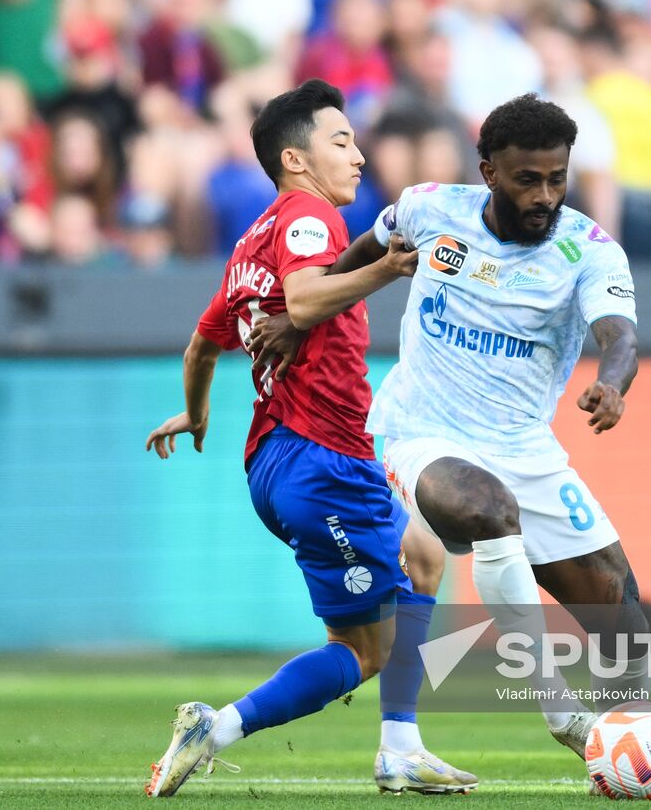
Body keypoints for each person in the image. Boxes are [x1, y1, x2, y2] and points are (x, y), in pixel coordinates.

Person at [254, 94, 649, 795]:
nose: (545, 195)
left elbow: (619, 335)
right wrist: (296, 318)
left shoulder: (587, 249)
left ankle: (631, 747)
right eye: (528, 179)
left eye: (557, 178)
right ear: (489, 170)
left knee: (620, 608)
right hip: (420, 431)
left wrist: (613, 383)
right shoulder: (427, 208)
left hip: (525, 444)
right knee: (489, 510)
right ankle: (559, 709)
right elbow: (361, 255)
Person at [142, 79, 474, 798]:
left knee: (424, 553)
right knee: (362, 648)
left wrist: (197, 415)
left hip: (278, 455)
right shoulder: (307, 218)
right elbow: (300, 300)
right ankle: (221, 726)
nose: (358, 155)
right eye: (342, 141)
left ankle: (402, 745)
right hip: (321, 457)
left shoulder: (249, 242)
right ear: (296, 159)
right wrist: (389, 264)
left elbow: (203, 347)